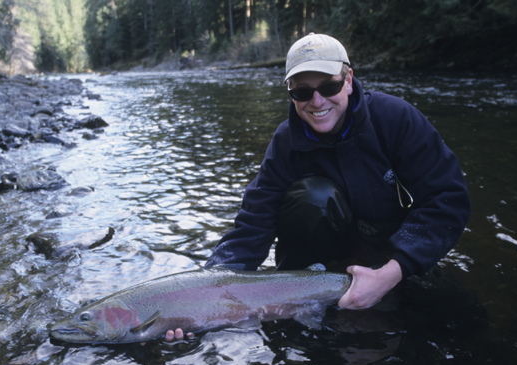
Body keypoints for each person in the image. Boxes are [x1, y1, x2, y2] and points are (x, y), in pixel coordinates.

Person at [164, 33, 470, 342]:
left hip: (391, 252)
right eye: (302, 92)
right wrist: (200, 295)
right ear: (290, 92)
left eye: (329, 87)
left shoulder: (396, 119)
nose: (317, 101)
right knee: (314, 198)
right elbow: (251, 228)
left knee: (464, 323)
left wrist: (393, 271)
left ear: (348, 79)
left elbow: (447, 199)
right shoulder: (285, 144)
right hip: (317, 268)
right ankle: (305, 314)